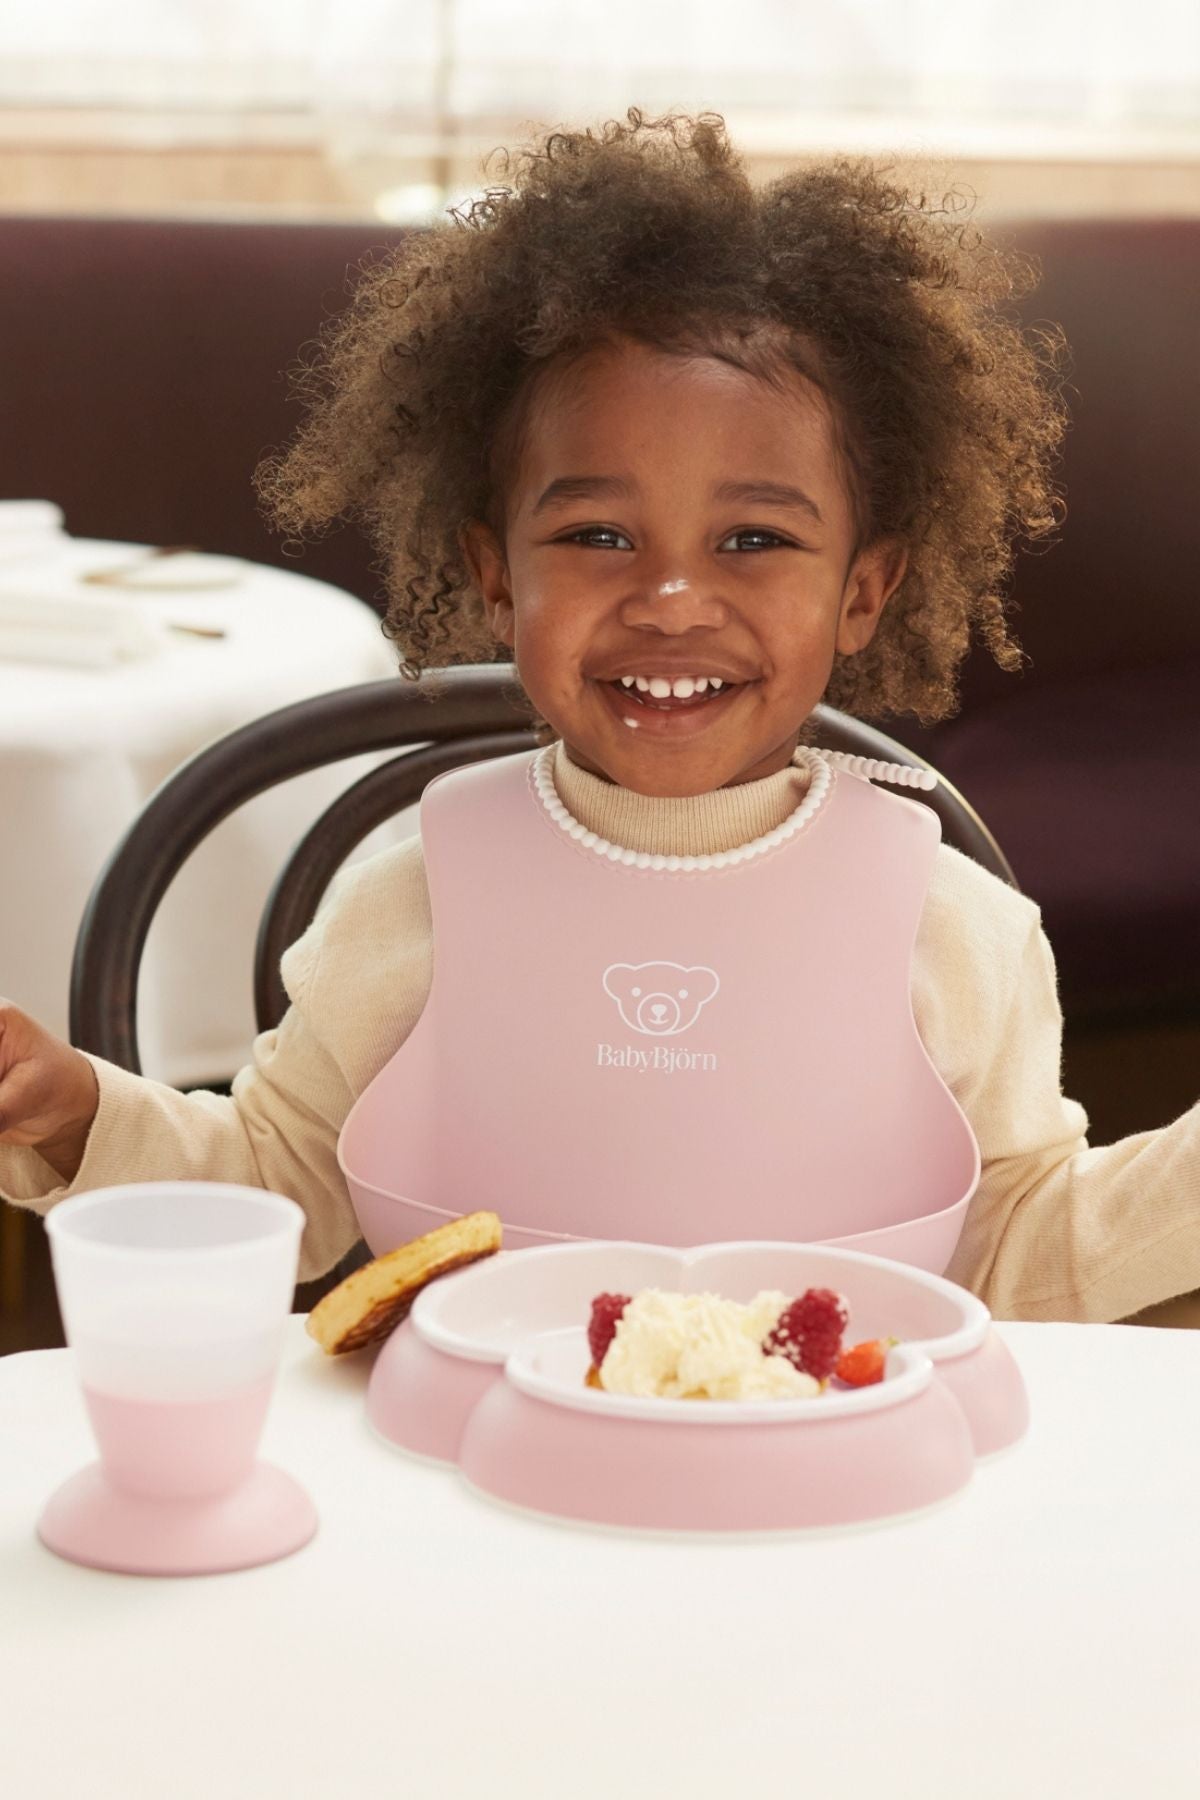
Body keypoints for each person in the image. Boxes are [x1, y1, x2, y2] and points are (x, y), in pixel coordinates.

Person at [1, 110, 1196, 1322]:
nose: (672, 601)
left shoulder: (955, 929)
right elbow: (272, 1180)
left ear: (864, 591)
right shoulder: (408, 903)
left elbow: (1016, 1256)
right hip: (463, 1488)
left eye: (754, 540)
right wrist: (76, 1112)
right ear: (496, 573)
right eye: (598, 536)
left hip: (830, 1501)